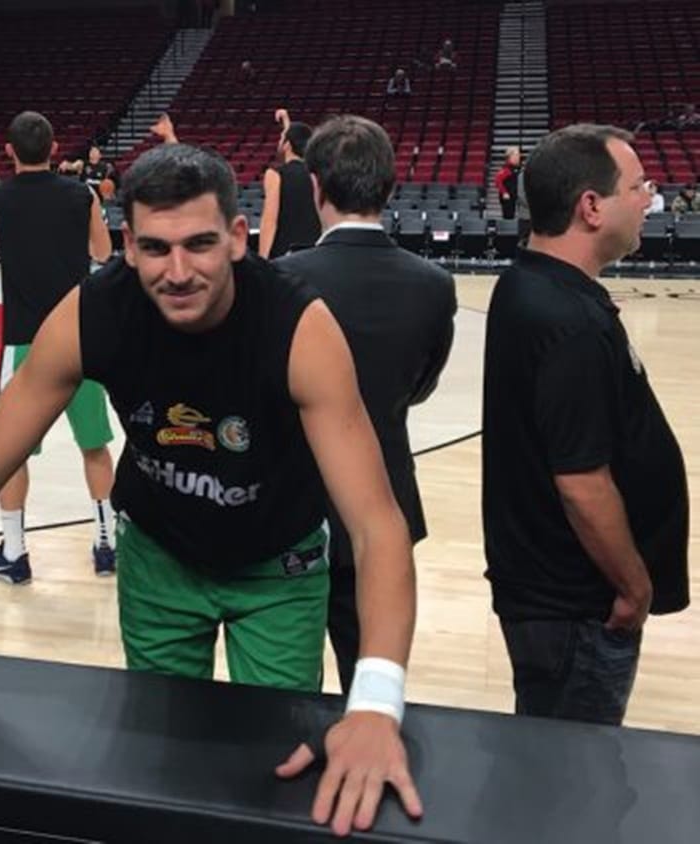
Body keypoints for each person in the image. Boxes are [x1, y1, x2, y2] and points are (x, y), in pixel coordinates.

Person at [0, 143, 423, 838]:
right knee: (159, 764)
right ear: (127, 245)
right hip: (160, 559)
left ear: (237, 238)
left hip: (277, 567)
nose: (178, 271)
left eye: (199, 244)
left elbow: (376, 525)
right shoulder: (93, 312)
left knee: (272, 774)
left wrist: (376, 706)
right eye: (156, 248)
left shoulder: (299, 328)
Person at [482, 124, 690, 726]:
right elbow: (581, 482)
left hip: (550, 596)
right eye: (638, 186)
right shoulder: (568, 322)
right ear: (591, 207)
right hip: (576, 606)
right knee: (572, 766)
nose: (649, 199)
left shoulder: (531, 284)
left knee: (551, 752)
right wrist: (634, 586)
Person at [277, 115, 456, 694]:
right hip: (386, 499)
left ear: (315, 187)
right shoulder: (433, 283)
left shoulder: (281, 279)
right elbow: (422, 385)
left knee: (286, 684)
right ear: (390, 185)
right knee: (370, 679)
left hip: (296, 508)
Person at [0, 111, 118, 580]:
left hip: (24, 342)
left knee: (10, 452)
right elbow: (103, 252)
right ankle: (107, 545)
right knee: (94, 445)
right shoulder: (82, 193)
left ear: (8, 151)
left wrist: (3, 231)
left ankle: (14, 553)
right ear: (53, 149)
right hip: (78, 338)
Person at [259, 108, 321, 258]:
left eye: (281, 138)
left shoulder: (275, 174)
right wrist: (286, 121)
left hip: (285, 254)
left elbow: (269, 221)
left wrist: (262, 260)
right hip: (314, 252)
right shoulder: (318, 174)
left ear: (287, 144)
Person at [494, 147, 522, 220]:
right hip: (508, 197)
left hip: (515, 195)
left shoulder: (517, 168)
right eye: (516, 155)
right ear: (510, 157)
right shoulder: (507, 169)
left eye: (518, 155)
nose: (518, 157)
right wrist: (504, 192)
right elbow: (497, 180)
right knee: (508, 217)